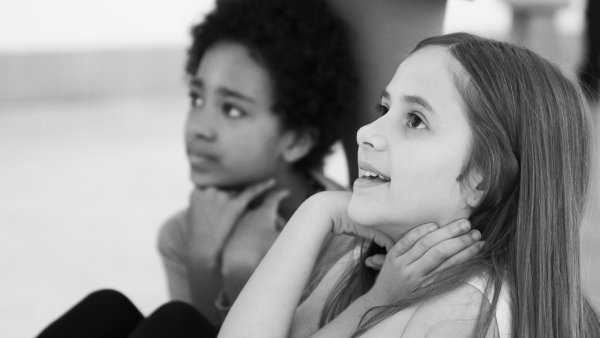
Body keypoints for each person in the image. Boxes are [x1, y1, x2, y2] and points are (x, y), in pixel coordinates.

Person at [219, 32, 600, 337]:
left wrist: (315, 219)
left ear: (481, 178)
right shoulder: (374, 264)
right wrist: (319, 215)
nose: (366, 132)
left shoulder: (458, 316)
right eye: (385, 109)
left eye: (415, 120)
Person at [156, 0, 360, 326]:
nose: (198, 128)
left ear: (296, 140)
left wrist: (244, 276)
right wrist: (201, 259)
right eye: (197, 98)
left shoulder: (348, 242)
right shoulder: (182, 234)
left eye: (232, 110)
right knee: (113, 310)